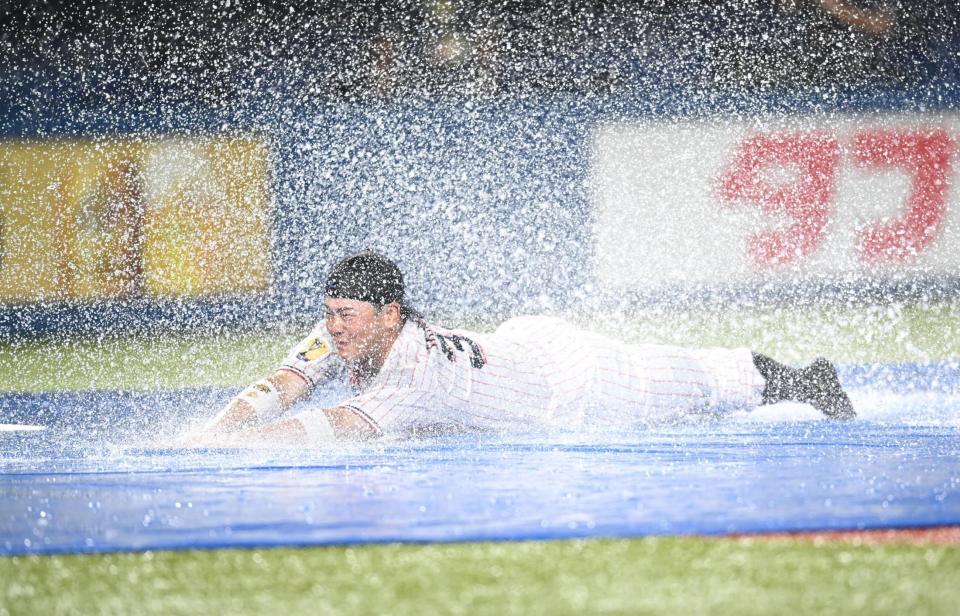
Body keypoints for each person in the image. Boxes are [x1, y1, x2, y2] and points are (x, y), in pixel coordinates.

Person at [184, 252, 855, 446]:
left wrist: (231, 452)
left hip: (577, 385)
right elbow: (284, 385)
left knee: (705, 382)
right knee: (697, 384)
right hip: (522, 348)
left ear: (390, 313)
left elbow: (330, 427)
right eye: (329, 315)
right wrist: (208, 434)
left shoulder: (409, 365)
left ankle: (808, 381)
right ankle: (798, 380)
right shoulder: (347, 330)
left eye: (348, 316)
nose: (335, 329)